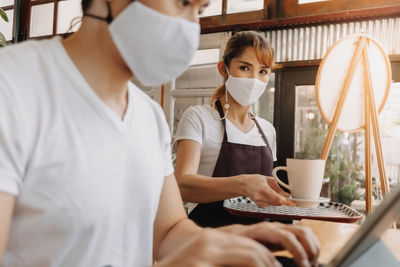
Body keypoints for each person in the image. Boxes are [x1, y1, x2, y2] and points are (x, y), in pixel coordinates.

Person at [0, 0, 319, 266]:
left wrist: (232, 238)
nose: (189, 29)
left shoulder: (148, 117)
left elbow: (168, 232)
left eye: (199, 10)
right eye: (182, 2)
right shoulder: (13, 86)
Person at [174, 31, 293, 228]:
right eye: (245, 68)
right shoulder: (199, 118)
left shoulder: (267, 130)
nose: (254, 79)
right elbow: (181, 185)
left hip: (259, 244)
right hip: (208, 242)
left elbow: (269, 193)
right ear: (223, 68)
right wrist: (244, 184)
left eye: (262, 71)